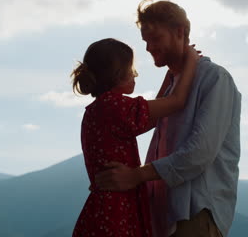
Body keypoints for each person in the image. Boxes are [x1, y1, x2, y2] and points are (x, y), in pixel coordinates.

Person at [95, 0, 242, 237]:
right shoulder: (174, 85)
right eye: (145, 41)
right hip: (165, 216)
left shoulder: (215, 78)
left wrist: (136, 176)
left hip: (195, 212)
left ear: (179, 33)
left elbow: (199, 153)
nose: (149, 48)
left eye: (155, 39)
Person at [71, 38, 199, 237]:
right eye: (131, 69)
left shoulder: (98, 111)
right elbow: (176, 102)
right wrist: (190, 61)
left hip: (103, 211)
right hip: (118, 213)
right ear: (118, 74)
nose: (135, 74)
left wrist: (171, 74)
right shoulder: (118, 107)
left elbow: (155, 115)